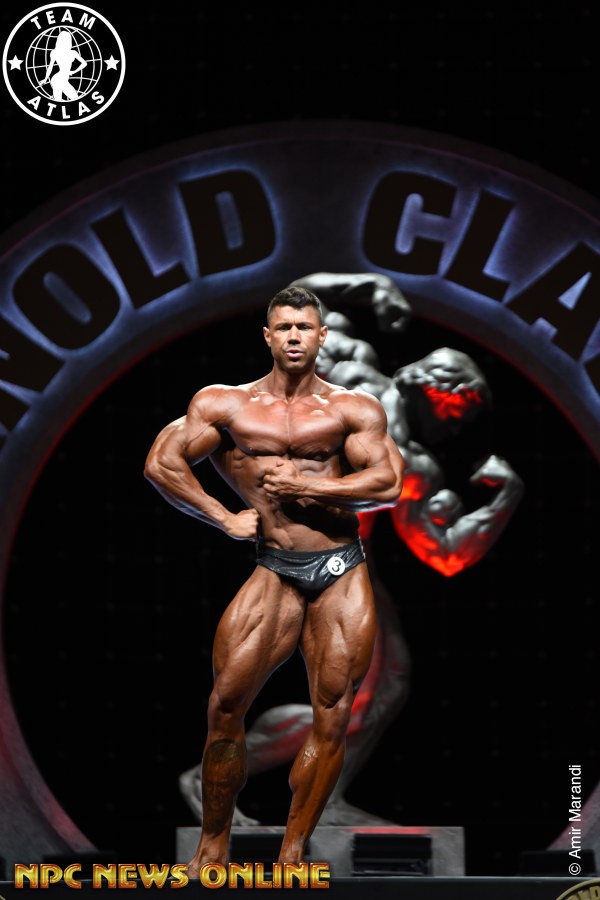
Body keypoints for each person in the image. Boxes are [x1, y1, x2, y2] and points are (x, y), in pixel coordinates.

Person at [177, 276, 524, 828]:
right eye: (462, 411)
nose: (458, 425)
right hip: (284, 550)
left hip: (349, 561)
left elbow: (444, 554)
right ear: (443, 390)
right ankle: (208, 783)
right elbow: (298, 302)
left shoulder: (413, 461)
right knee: (241, 688)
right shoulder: (355, 371)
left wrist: (504, 498)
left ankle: (325, 801)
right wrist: (371, 283)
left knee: (378, 691)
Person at [144, 285, 405, 869]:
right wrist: (222, 517)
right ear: (267, 336)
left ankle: (292, 850)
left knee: (332, 715)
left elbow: (388, 483)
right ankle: (214, 844)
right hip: (275, 566)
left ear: (321, 336)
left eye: (304, 327)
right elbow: (162, 462)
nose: (293, 336)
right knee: (225, 705)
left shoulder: (352, 408)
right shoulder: (227, 405)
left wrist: (308, 485)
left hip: (339, 567)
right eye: (284, 327)